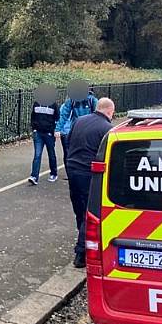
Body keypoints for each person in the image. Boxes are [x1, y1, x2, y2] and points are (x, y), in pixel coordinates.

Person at [67, 97, 114, 268]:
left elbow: (68, 142)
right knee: (90, 212)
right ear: (110, 111)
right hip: (89, 174)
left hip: (72, 169)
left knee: (79, 208)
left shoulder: (79, 121)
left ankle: (83, 236)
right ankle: (81, 253)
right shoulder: (107, 129)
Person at [55, 89, 98, 168]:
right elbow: (64, 115)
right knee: (71, 152)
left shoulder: (92, 101)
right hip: (76, 129)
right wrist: (58, 129)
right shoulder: (72, 101)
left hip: (88, 129)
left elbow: (97, 115)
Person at [28, 98, 59, 185]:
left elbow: (57, 118)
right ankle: (34, 176)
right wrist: (34, 129)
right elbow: (33, 116)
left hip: (49, 133)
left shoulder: (53, 104)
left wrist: (54, 130)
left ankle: (53, 173)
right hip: (38, 133)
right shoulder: (36, 103)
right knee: (37, 155)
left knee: (51, 154)